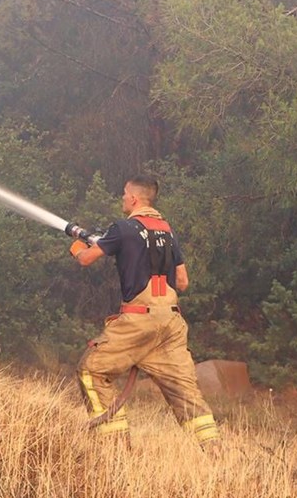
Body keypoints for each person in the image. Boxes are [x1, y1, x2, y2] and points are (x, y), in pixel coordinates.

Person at [69, 175, 220, 448]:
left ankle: (115, 447)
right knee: (186, 393)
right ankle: (215, 452)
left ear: (134, 198)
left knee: (91, 370)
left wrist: (78, 247)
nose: (122, 198)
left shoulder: (123, 228)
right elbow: (183, 281)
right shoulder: (167, 230)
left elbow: (87, 259)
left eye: (124, 194)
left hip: (139, 320)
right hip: (171, 323)